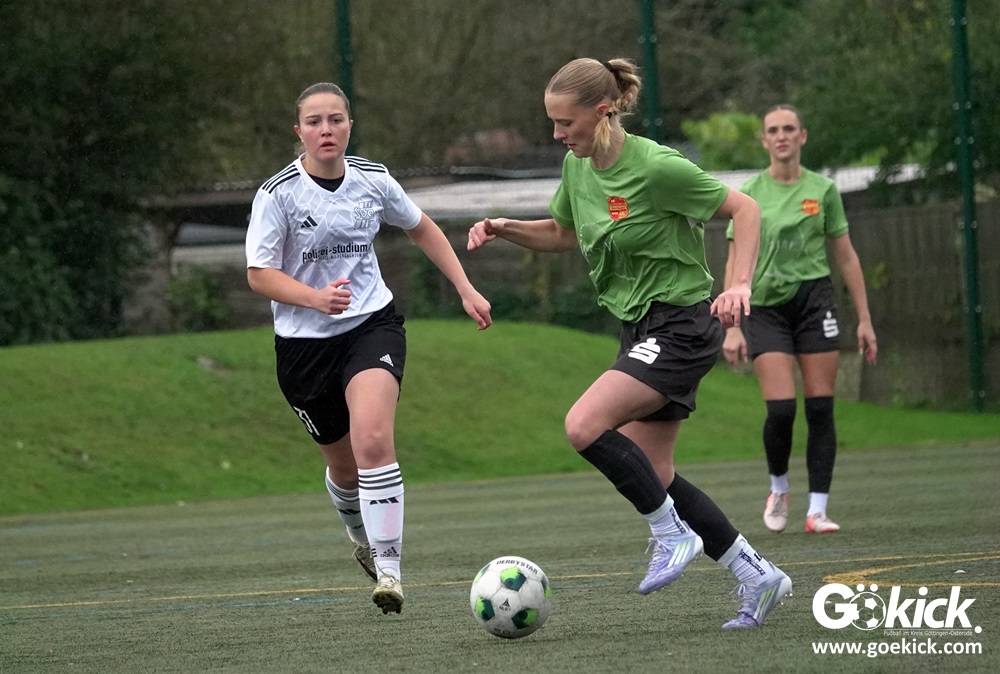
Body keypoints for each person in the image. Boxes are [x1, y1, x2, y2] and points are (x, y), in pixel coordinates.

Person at [467, 58, 791, 629]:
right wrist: (503, 227)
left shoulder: (657, 167)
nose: (556, 134)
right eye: (552, 122)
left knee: (583, 425)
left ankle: (670, 534)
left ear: (602, 112)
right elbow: (563, 233)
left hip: (681, 325)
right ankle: (758, 574)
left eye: (565, 122)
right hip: (639, 328)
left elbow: (745, 208)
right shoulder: (577, 168)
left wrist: (740, 284)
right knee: (655, 473)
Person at [246, 82, 492, 615]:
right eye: (315, 121)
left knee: (374, 441)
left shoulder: (373, 179)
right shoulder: (277, 194)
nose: (326, 129)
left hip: (371, 326)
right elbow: (259, 274)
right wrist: (314, 298)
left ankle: (389, 571)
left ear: (350, 126)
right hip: (304, 349)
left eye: (336, 119)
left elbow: (421, 227)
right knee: (344, 471)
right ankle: (361, 538)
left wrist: (465, 288)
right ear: (299, 132)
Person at [722, 104, 878, 535]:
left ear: (802, 136)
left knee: (821, 407)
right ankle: (778, 487)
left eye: (789, 128)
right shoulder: (748, 194)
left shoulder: (823, 190)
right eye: (773, 130)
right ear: (764, 140)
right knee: (782, 409)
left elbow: (846, 256)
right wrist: (732, 326)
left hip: (814, 301)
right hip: (765, 306)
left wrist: (864, 319)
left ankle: (818, 510)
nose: (782, 136)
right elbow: (734, 258)